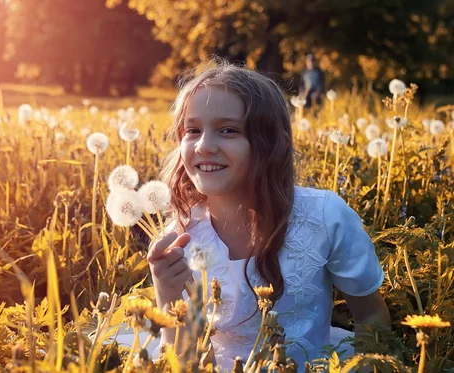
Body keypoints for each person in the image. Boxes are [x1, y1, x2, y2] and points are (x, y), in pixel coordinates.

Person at [146, 60, 391, 372]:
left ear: (271, 141)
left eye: (228, 130)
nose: (205, 145)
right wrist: (166, 292)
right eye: (193, 130)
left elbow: (371, 315)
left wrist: (371, 366)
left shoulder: (324, 216)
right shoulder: (181, 233)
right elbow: (184, 358)